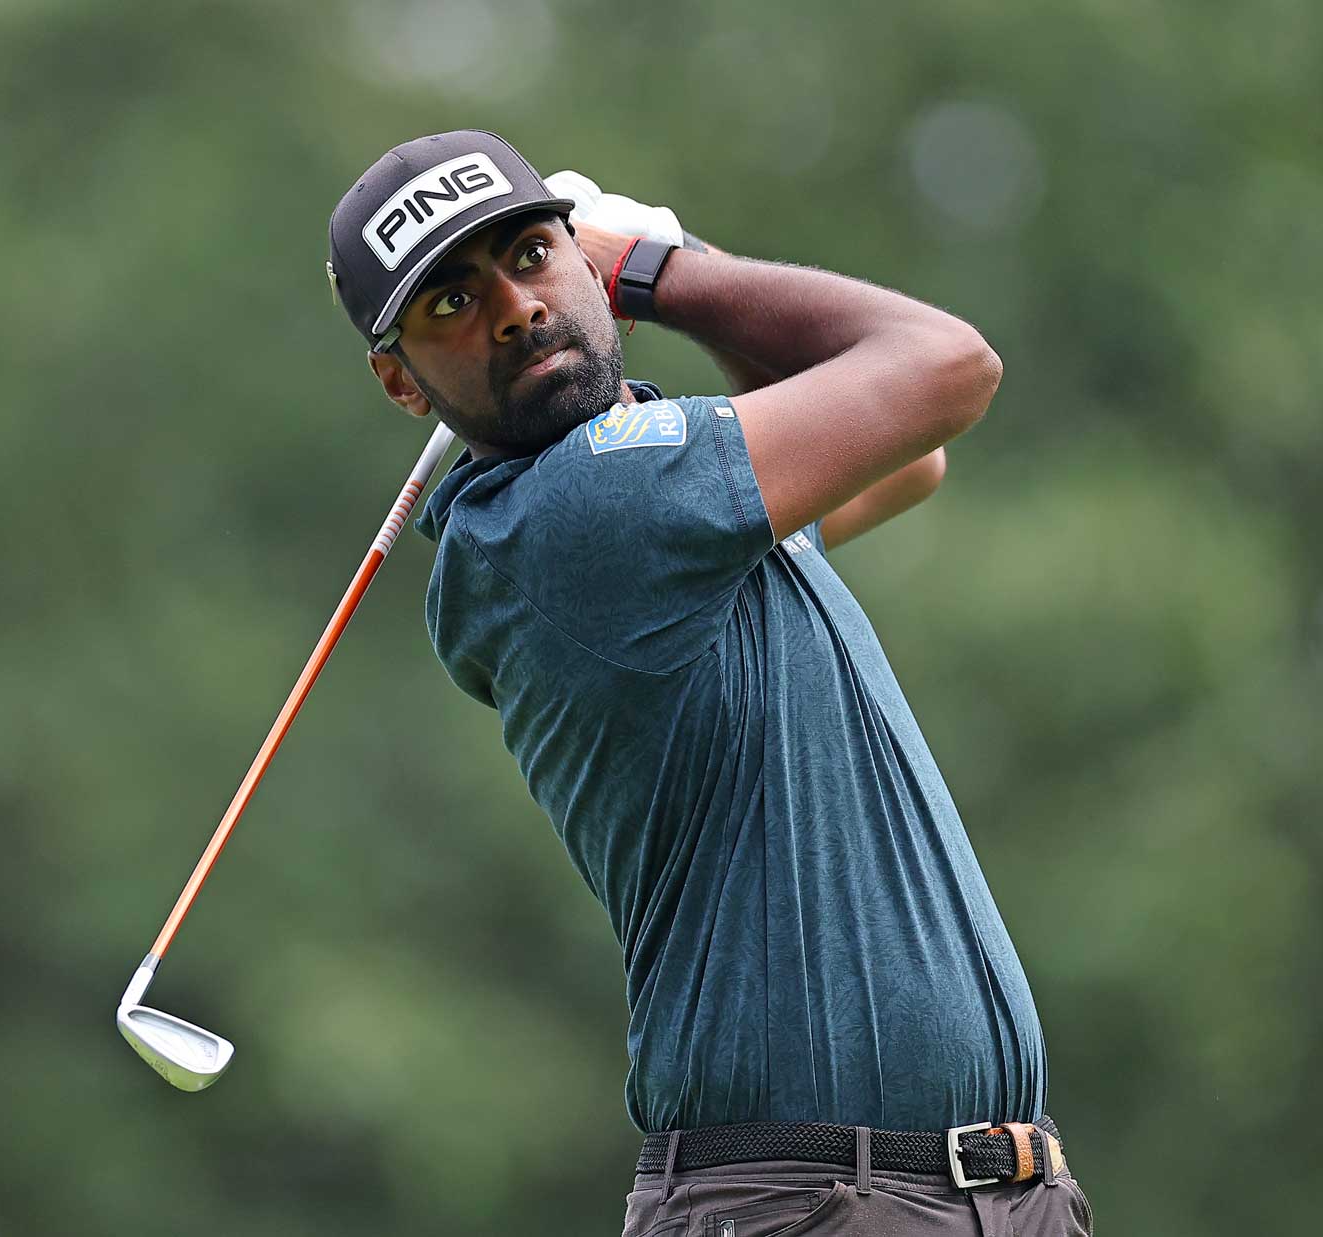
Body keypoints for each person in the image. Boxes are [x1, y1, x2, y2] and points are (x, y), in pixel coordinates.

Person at [326, 130, 1093, 1237]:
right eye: (450, 302)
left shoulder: (665, 506)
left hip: (958, 1195)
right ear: (401, 383)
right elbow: (943, 370)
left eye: (531, 255)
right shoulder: (588, 514)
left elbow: (904, 460)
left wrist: (651, 265)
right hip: (817, 1201)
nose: (514, 308)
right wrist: (656, 268)